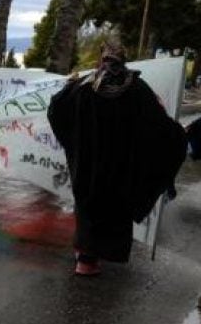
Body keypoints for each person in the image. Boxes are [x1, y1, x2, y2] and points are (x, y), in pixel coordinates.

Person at [48, 42, 187, 276]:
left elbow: (56, 109)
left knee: (88, 208)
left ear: (102, 59)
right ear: (124, 60)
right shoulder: (139, 89)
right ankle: (105, 254)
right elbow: (162, 130)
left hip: (88, 166)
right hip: (122, 169)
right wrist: (178, 134)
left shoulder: (83, 86)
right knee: (115, 209)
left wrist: (73, 142)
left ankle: (85, 261)